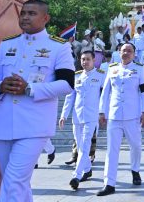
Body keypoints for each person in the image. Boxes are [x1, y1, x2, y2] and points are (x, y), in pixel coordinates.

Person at [0, 0, 75, 201]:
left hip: (35, 126)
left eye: (32, 13)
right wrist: (0, 86)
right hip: (4, 124)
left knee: (14, 181)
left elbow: (67, 84)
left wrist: (30, 89)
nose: (25, 17)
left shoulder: (58, 47)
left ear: (45, 18)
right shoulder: (7, 44)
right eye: (23, 13)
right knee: (16, 183)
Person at [96, 43, 144, 196]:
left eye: (129, 51)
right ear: (119, 52)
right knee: (112, 150)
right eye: (123, 50)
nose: (126, 53)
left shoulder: (140, 68)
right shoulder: (112, 68)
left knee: (136, 146)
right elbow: (105, 91)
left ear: (134, 54)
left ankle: (135, 170)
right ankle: (109, 183)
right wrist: (101, 112)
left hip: (133, 116)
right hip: (114, 115)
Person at [59, 50, 106, 189]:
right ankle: (87, 169)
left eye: (88, 59)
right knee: (80, 146)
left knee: (85, 146)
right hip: (77, 116)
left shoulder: (101, 75)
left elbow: (105, 97)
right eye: (83, 59)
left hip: (92, 116)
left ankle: (76, 176)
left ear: (94, 60)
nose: (85, 62)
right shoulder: (77, 76)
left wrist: (103, 113)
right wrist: (63, 115)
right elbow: (70, 97)